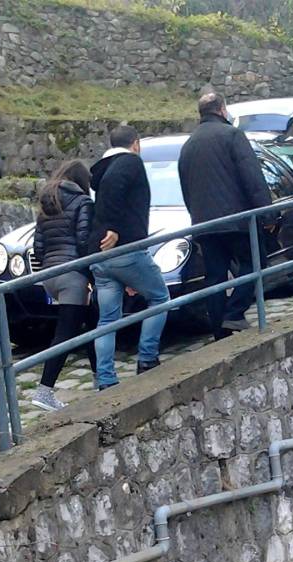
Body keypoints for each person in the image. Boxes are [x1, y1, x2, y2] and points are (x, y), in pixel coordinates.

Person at [179, 92, 272, 340]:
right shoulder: (232, 135)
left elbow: (186, 186)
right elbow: (251, 176)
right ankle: (235, 312)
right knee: (255, 262)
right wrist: (266, 210)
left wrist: (195, 218)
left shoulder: (188, 145)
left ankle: (220, 330)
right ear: (222, 109)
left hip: (205, 222)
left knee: (215, 276)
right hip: (237, 219)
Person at [88, 125, 170, 391]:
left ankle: (105, 378)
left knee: (107, 319)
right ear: (136, 144)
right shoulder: (129, 163)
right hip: (126, 250)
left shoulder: (102, 167)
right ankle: (147, 358)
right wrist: (113, 227)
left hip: (100, 257)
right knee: (160, 297)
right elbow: (116, 188)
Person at [31, 160, 97, 411]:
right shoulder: (82, 203)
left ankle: (100, 378)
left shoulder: (47, 204)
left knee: (91, 320)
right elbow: (83, 241)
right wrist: (89, 274)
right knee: (65, 332)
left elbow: (38, 247)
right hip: (73, 274)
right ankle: (44, 391)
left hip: (51, 274)